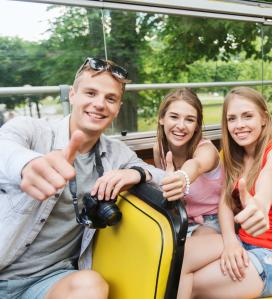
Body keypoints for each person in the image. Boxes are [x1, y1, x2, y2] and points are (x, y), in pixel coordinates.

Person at [0, 57, 165, 299]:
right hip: (5, 267)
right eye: (90, 93)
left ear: (118, 108)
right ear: (72, 95)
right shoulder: (32, 131)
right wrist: (28, 165)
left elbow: (165, 178)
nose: (99, 104)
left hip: (50, 280)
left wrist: (136, 172)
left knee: (92, 285)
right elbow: (5, 146)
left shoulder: (117, 153)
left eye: (110, 99)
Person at [177, 87, 272, 298]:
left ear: (264, 118)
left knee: (191, 283)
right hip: (243, 242)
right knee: (177, 259)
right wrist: (230, 242)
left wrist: (261, 204)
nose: (239, 125)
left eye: (248, 116)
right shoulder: (233, 158)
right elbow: (225, 203)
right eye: (232, 119)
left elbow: (270, 176)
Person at [154, 88, 223, 236]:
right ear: (161, 118)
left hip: (211, 220)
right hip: (179, 218)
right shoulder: (158, 150)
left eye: (189, 120)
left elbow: (196, 165)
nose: (181, 126)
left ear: (197, 125)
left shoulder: (207, 151)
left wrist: (182, 177)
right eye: (174, 117)